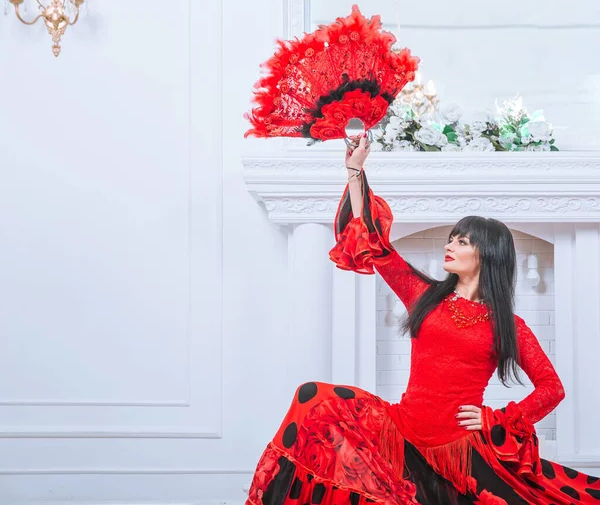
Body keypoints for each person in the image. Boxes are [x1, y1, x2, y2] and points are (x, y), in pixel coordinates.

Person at [245, 134, 600, 505]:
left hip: (458, 449)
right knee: (313, 396)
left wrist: (497, 420)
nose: (450, 245)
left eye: (462, 242)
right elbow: (376, 246)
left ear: (488, 254)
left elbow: (551, 388)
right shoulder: (425, 295)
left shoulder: (508, 325)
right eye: (451, 239)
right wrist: (355, 172)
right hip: (402, 430)